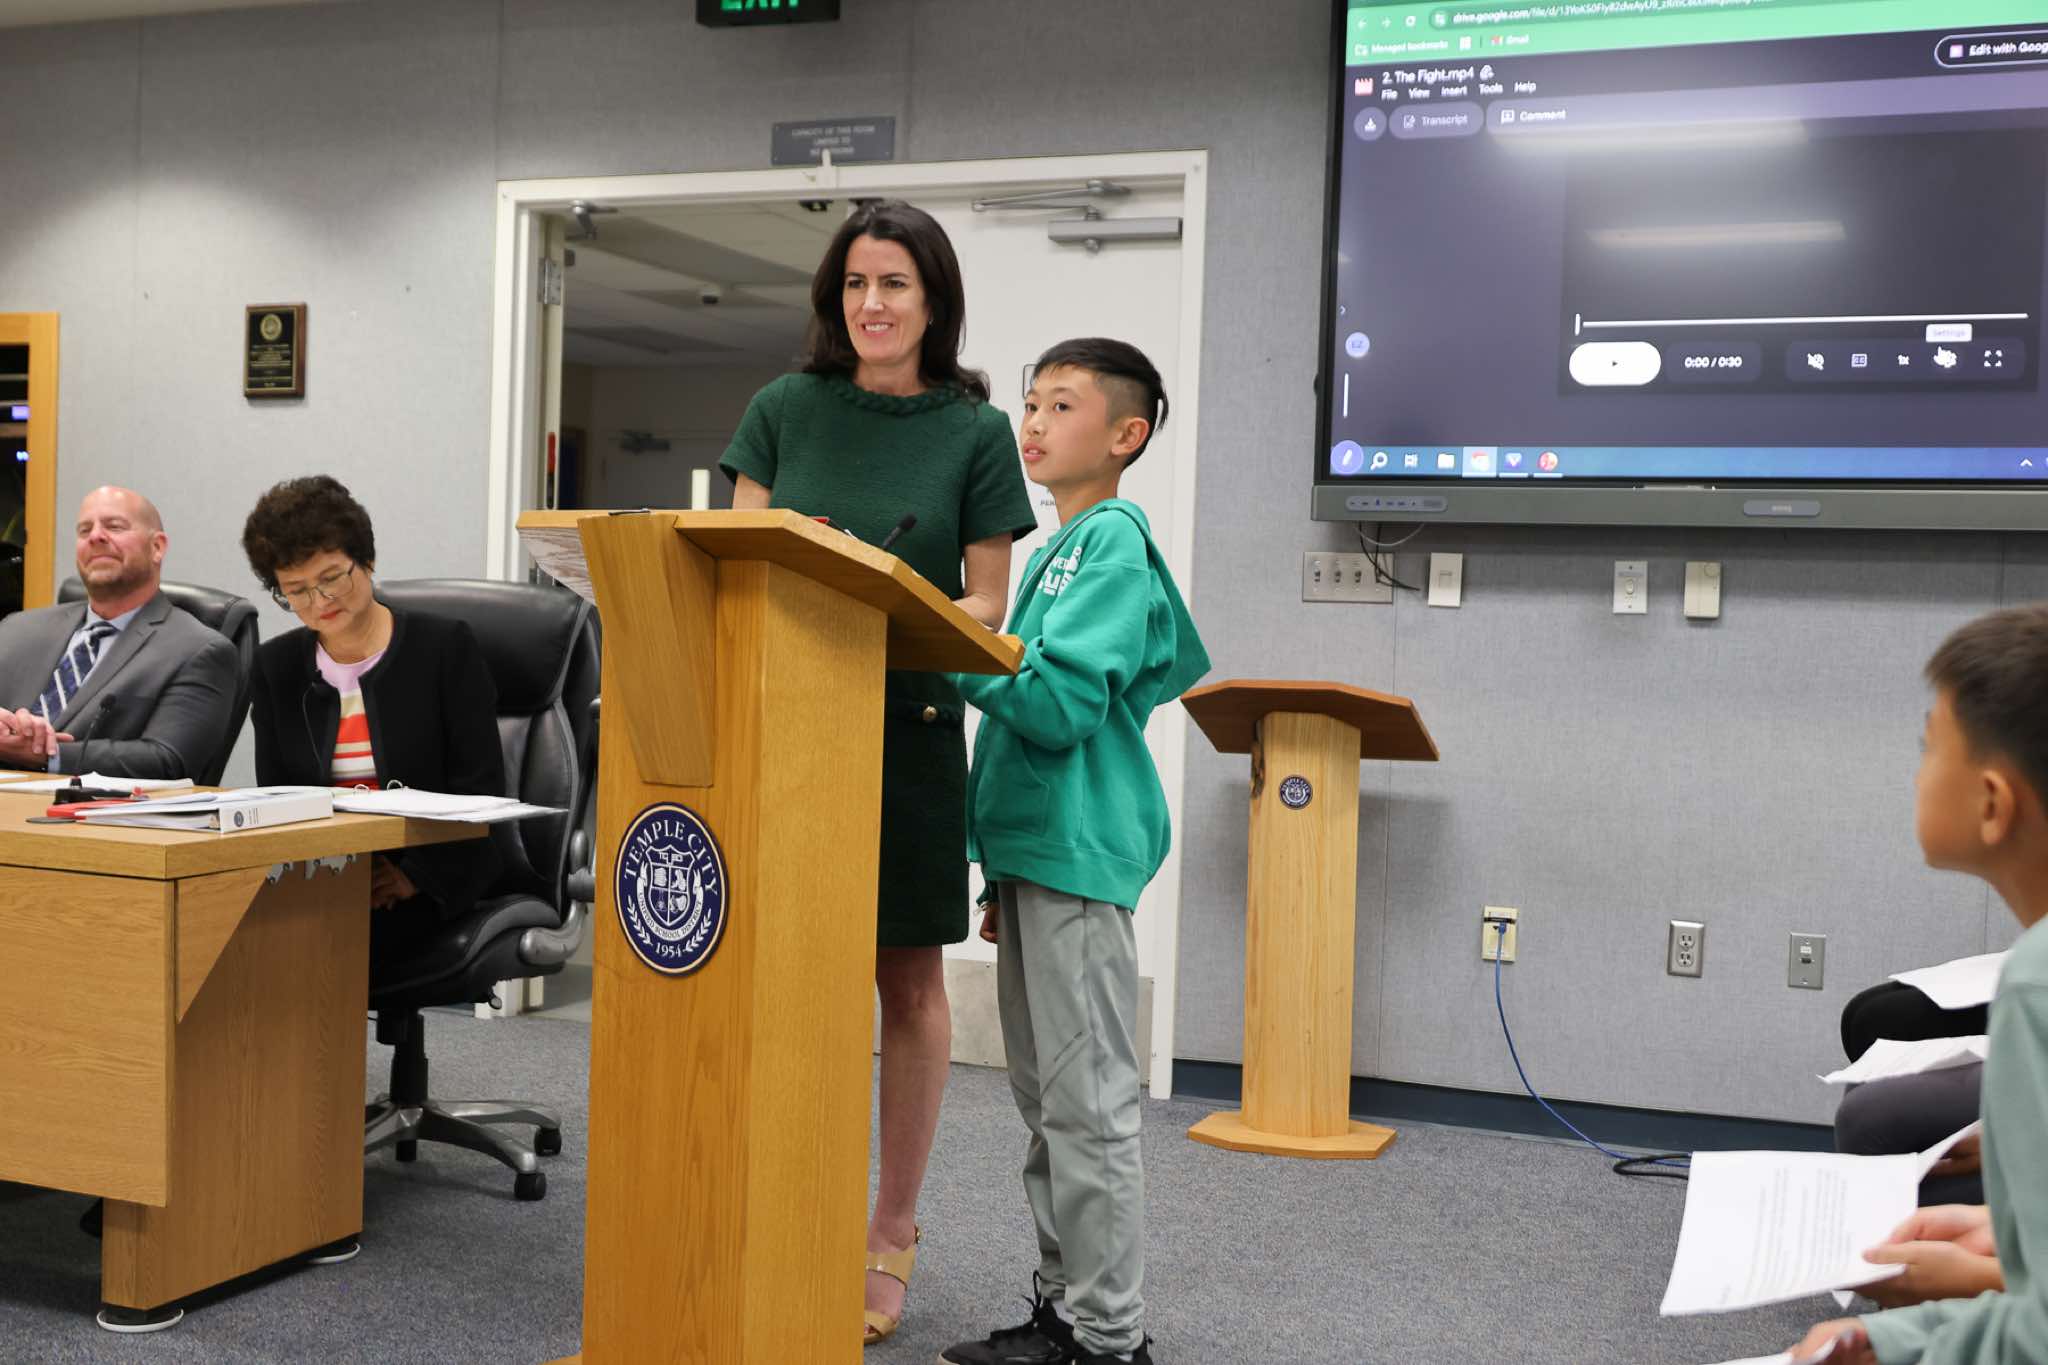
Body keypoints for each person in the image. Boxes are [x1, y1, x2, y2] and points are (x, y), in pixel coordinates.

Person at [718, 200, 1037, 1346]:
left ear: (933, 300)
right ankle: (782, 1205)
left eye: (894, 283)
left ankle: (889, 1228)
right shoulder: (781, 408)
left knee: (905, 983)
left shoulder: (975, 430)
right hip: (784, 730)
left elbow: (986, 602)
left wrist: (890, 599)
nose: (872, 304)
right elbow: (738, 567)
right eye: (854, 283)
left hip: (905, 727)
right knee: (780, 980)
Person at [939, 339, 1209, 1365]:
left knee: (1088, 1109)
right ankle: (1065, 1312)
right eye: (1030, 404)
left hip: (1077, 856)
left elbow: (1054, 706)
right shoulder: (1060, 548)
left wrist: (949, 648)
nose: (1034, 424)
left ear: (1125, 435)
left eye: (1061, 405)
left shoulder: (1112, 542)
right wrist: (996, 873)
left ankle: (1107, 1339)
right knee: (1048, 1106)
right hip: (1032, 859)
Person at [1791, 603, 2048, 1364]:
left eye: (1930, 748)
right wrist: (2001, 1242)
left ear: (1993, 804)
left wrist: (1901, 1341)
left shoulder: (2036, 987)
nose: (1916, 773)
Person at [241, 475, 502, 970]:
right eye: (296, 591)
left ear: (367, 560)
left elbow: (480, 792)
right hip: (327, 873)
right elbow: (278, 799)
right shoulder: (277, 667)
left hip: (434, 871)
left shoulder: (445, 649)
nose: (319, 601)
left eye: (332, 578)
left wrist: (414, 876)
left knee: (305, 951)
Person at [0, 485, 236, 778]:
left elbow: (167, 761)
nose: (96, 536)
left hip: (87, 805)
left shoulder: (198, 651)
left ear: (157, 547)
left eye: (114, 526)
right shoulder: (16, 629)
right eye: (85, 530)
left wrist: (44, 753)